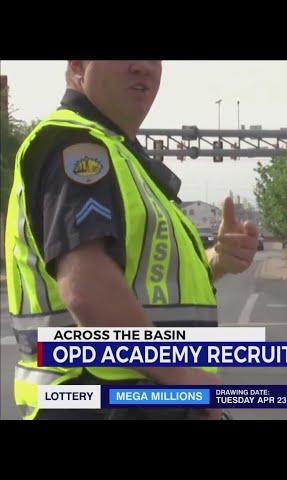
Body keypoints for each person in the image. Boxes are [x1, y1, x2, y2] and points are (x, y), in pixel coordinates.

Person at [4, 61, 258, 420]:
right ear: (78, 66)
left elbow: (144, 281)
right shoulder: (78, 147)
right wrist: (184, 377)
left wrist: (216, 261)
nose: (142, 67)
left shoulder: (119, 154)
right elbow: (86, 288)